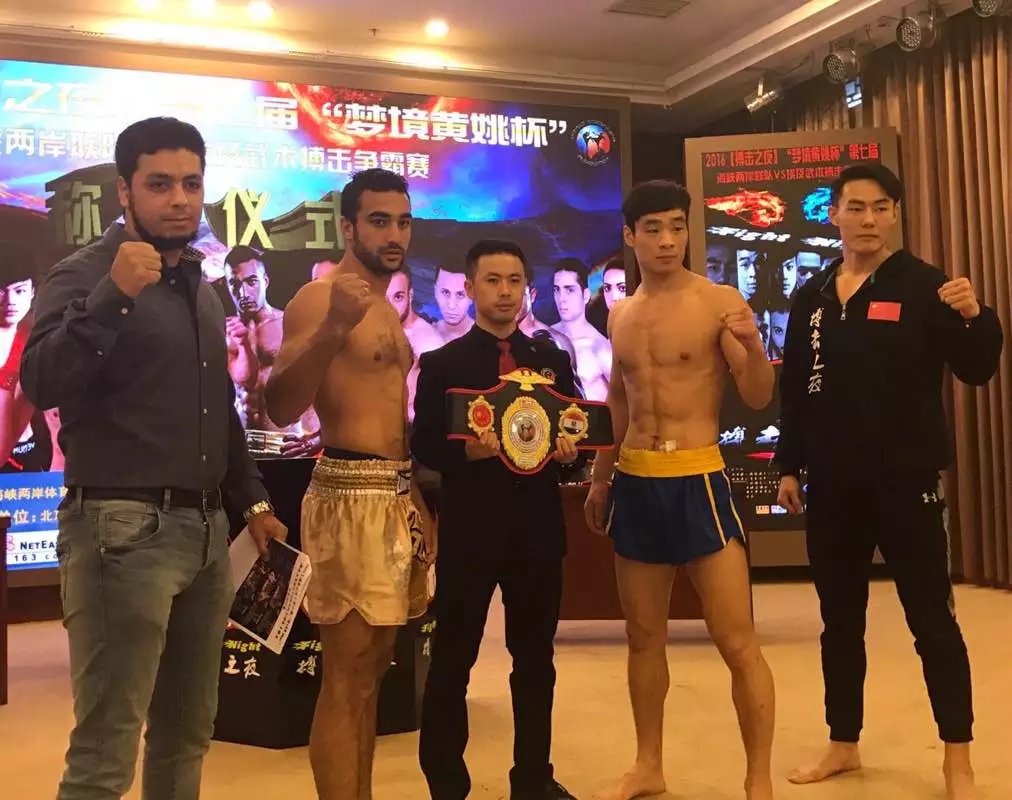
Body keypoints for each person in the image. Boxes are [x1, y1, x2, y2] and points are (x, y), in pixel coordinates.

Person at [20, 116, 286, 800]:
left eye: (191, 184)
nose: (179, 200)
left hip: (206, 533)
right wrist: (113, 297)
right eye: (159, 184)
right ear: (124, 191)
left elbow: (215, 407)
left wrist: (253, 500)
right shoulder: (83, 274)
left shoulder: (196, 283)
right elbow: (40, 383)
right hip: (120, 530)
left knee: (187, 735)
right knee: (106, 752)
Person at [775, 163, 1002, 800]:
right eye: (856, 207)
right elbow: (797, 388)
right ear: (834, 214)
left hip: (906, 484)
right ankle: (842, 741)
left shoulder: (927, 285)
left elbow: (977, 368)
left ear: (896, 213)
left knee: (932, 621)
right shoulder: (814, 293)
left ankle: (957, 758)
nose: (868, 219)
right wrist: (790, 464)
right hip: (833, 485)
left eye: (880, 207)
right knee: (839, 620)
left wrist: (976, 316)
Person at [584, 180, 777, 800]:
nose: (667, 240)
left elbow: (757, 395)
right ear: (630, 236)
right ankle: (649, 764)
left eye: (677, 226)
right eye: (653, 229)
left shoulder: (717, 301)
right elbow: (619, 400)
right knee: (643, 637)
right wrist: (601, 476)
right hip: (638, 481)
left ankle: (758, 779)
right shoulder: (621, 313)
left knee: (737, 640)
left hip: (698, 478)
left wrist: (753, 347)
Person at [264, 167, 435, 800]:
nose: (394, 235)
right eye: (379, 221)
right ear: (347, 227)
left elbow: (391, 421)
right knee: (346, 677)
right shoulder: (321, 298)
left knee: (372, 675)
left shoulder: (387, 305)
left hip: (393, 493)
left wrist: (416, 500)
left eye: (403, 222)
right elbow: (279, 405)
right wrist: (334, 327)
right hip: (346, 492)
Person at [412, 238, 581, 800]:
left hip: (538, 531)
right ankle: (446, 784)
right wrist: (468, 451)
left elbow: (574, 435)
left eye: (514, 281)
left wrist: (569, 454)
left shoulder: (553, 362)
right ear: (469, 287)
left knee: (535, 660)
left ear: (527, 289)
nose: (505, 292)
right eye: (492, 280)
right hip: (471, 529)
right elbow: (424, 445)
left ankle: (533, 778)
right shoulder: (443, 364)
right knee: (453, 659)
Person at [223, 246, 321, 457]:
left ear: (265, 280)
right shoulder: (225, 332)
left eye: (251, 281)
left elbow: (319, 384)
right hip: (243, 444)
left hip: (287, 442)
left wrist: (316, 437)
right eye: (235, 284)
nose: (243, 293)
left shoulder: (290, 325)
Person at [0, 243, 63, 472]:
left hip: (30, 453)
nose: (10, 301)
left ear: (33, 292)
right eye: (1, 291)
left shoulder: (37, 340)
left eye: (19, 291)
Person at [386, 265, 442, 422]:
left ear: (410, 295)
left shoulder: (429, 344)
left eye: (398, 297)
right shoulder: (373, 329)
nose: (390, 308)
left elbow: (432, 408)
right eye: (384, 298)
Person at [551, 258, 611, 402]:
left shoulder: (600, 348)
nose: (561, 298)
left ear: (585, 295)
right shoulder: (547, 337)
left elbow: (624, 400)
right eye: (557, 290)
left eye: (569, 290)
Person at [433, 263, 474, 343]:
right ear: (435, 291)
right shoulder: (425, 334)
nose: (451, 305)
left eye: (460, 295)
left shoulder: (486, 341)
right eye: (445, 292)